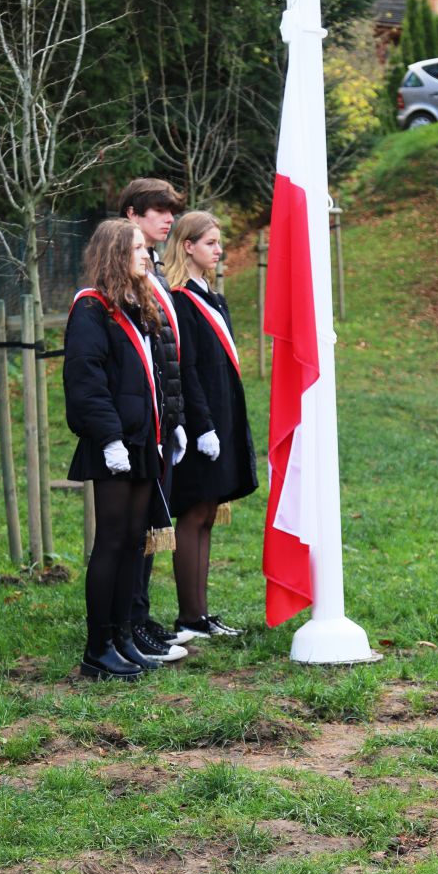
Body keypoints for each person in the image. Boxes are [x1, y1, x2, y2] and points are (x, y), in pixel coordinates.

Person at [63, 219, 188, 680]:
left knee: (134, 544)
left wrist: (168, 426)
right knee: (111, 544)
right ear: (115, 252)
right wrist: (110, 437)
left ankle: (121, 637)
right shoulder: (91, 308)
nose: (146, 254)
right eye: (136, 247)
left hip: (142, 442)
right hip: (112, 443)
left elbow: (151, 377)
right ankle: (98, 649)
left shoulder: (136, 306)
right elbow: (86, 380)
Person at [163, 211, 258, 638]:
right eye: (211, 244)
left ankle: (201, 614)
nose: (219, 251)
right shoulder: (182, 298)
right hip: (202, 420)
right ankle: (188, 617)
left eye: (219, 243)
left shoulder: (213, 296)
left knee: (207, 513)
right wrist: (201, 425)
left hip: (223, 413)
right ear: (188, 246)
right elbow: (188, 367)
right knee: (195, 510)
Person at [118, 178, 195, 660]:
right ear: (131, 215)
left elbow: (168, 352)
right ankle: (127, 621)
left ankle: (140, 617)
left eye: (171, 212)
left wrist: (178, 415)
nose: (167, 219)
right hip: (140, 420)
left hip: (163, 415)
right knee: (136, 527)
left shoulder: (157, 267)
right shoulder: (126, 272)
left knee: (151, 526)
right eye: (157, 211)